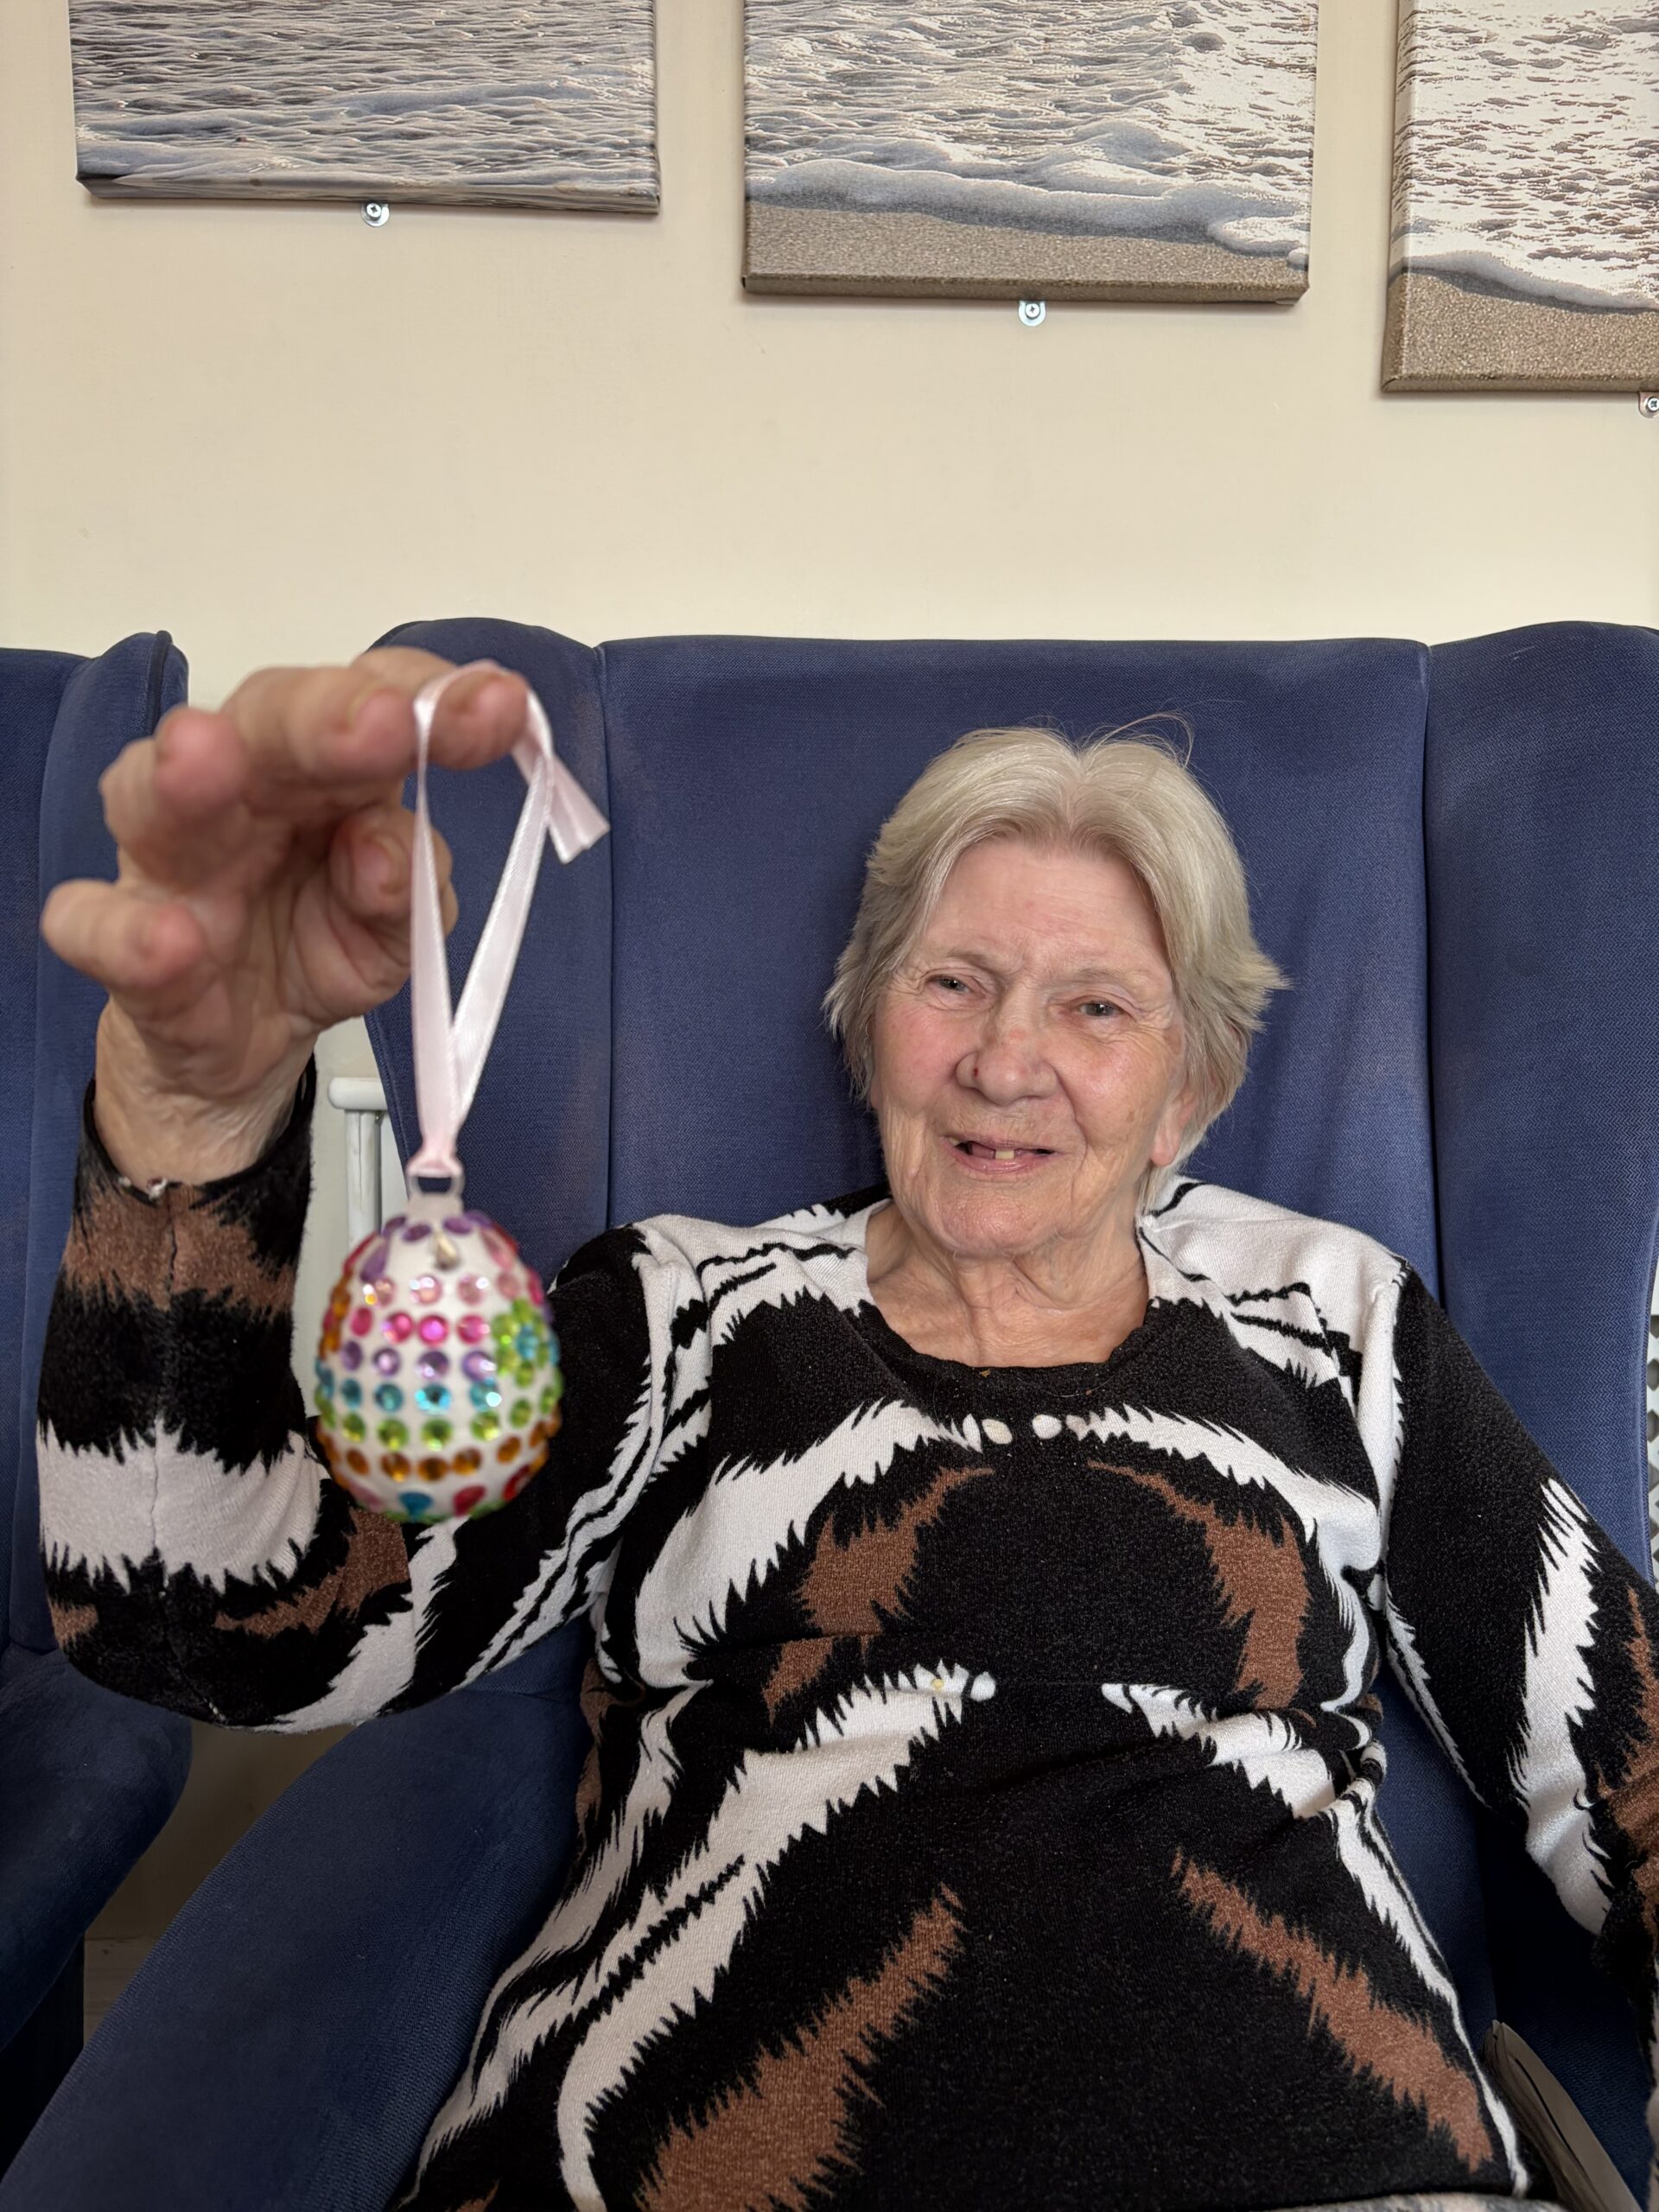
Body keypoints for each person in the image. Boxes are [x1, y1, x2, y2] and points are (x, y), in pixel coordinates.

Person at [35, 651, 1659, 2212]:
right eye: (952, 982)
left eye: (1097, 1009)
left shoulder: (1334, 1321)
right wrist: (193, 1132)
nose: (1004, 1059)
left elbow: (1631, 1768)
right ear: (866, 1017)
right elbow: (220, 1629)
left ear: (1192, 1095)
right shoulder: (687, 1315)